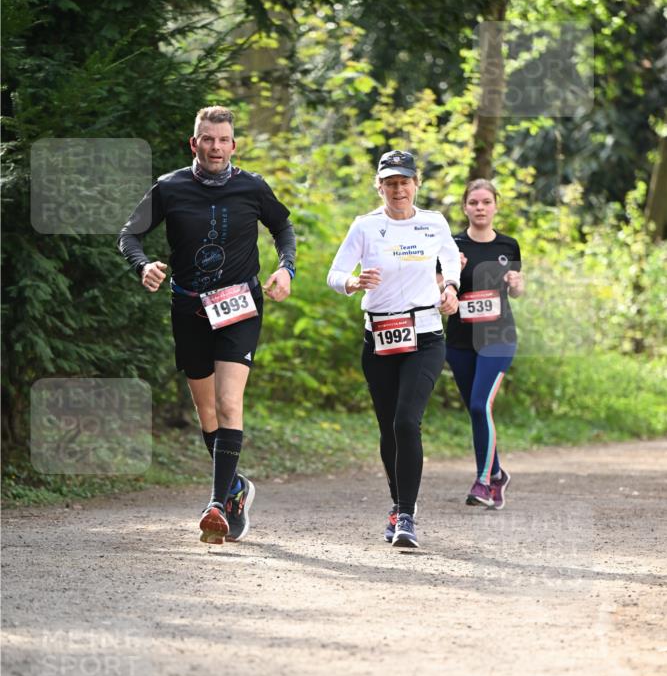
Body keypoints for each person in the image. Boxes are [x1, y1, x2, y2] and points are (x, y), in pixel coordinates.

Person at [118, 106, 296, 544]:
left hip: (239, 305)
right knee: (208, 412)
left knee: (229, 402)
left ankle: (217, 504)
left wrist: (286, 268)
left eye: (223, 140)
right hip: (189, 307)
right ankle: (235, 489)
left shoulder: (252, 186)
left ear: (234, 145)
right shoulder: (170, 187)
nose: (216, 147)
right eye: (208, 139)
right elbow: (129, 235)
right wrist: (143, 265)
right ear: (194, 143)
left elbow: (283, 228)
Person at [327, 150, 461, 549]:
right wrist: (352, 283)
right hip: (380, 337)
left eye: (404, 182)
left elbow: (450, 260)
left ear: (416, 184)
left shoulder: (434, 222)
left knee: (406, 422)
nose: (398, 189)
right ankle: (398, 503)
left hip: (425, 335)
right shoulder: (365, 226)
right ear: (379, 187)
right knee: (388, 427)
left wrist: (451, 288)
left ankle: (406, 515)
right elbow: (334, 273)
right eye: (390, 183)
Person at [443, 178, 524, 510]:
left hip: (498, 338)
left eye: (486, 202)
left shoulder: (508, 246)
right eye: (473, 202)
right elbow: (439, 289)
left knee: (480, 405)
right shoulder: (451, 245)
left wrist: (517, 283)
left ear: (495, 206)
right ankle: (497, 474)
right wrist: (451, 276)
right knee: (477, 410)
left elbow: (516, 291)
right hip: (460, 340)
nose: (480, 208)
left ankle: (484, 482)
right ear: (465, 207)